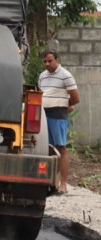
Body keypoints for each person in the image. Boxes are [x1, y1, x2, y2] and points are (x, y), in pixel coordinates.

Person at [39, 48, 80, 194]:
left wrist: (64, 106)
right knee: (46, 148)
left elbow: (75, 98)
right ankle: (49, 181)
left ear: (57, 60)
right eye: (45, 61)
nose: (47, 64)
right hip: (44, 115)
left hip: (58, 115)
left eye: (50, 61)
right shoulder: (42, 76)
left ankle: (63, 183)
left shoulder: (65, 75)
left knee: (60, 147)